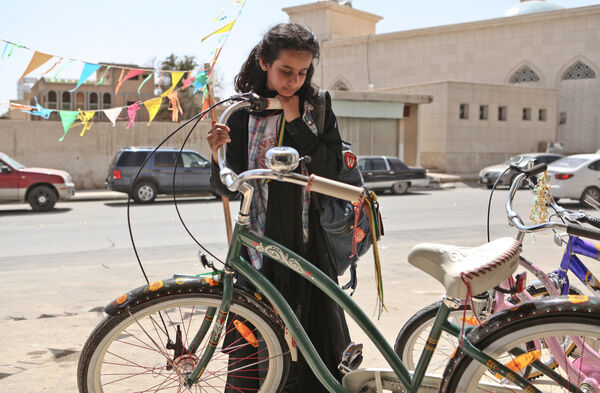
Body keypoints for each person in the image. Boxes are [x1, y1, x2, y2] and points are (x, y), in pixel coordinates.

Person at [208, 22, 351, 393]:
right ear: (263, 62)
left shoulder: (316, 108)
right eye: (286, 71)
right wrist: (217, 155)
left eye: (302, 73)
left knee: (313, 342)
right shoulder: (240, 113)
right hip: (257, 249)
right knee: (255, 339)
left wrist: (293, 118)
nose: (293, 81)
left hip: (308, 247)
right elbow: (225, 187)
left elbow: (331, 167)